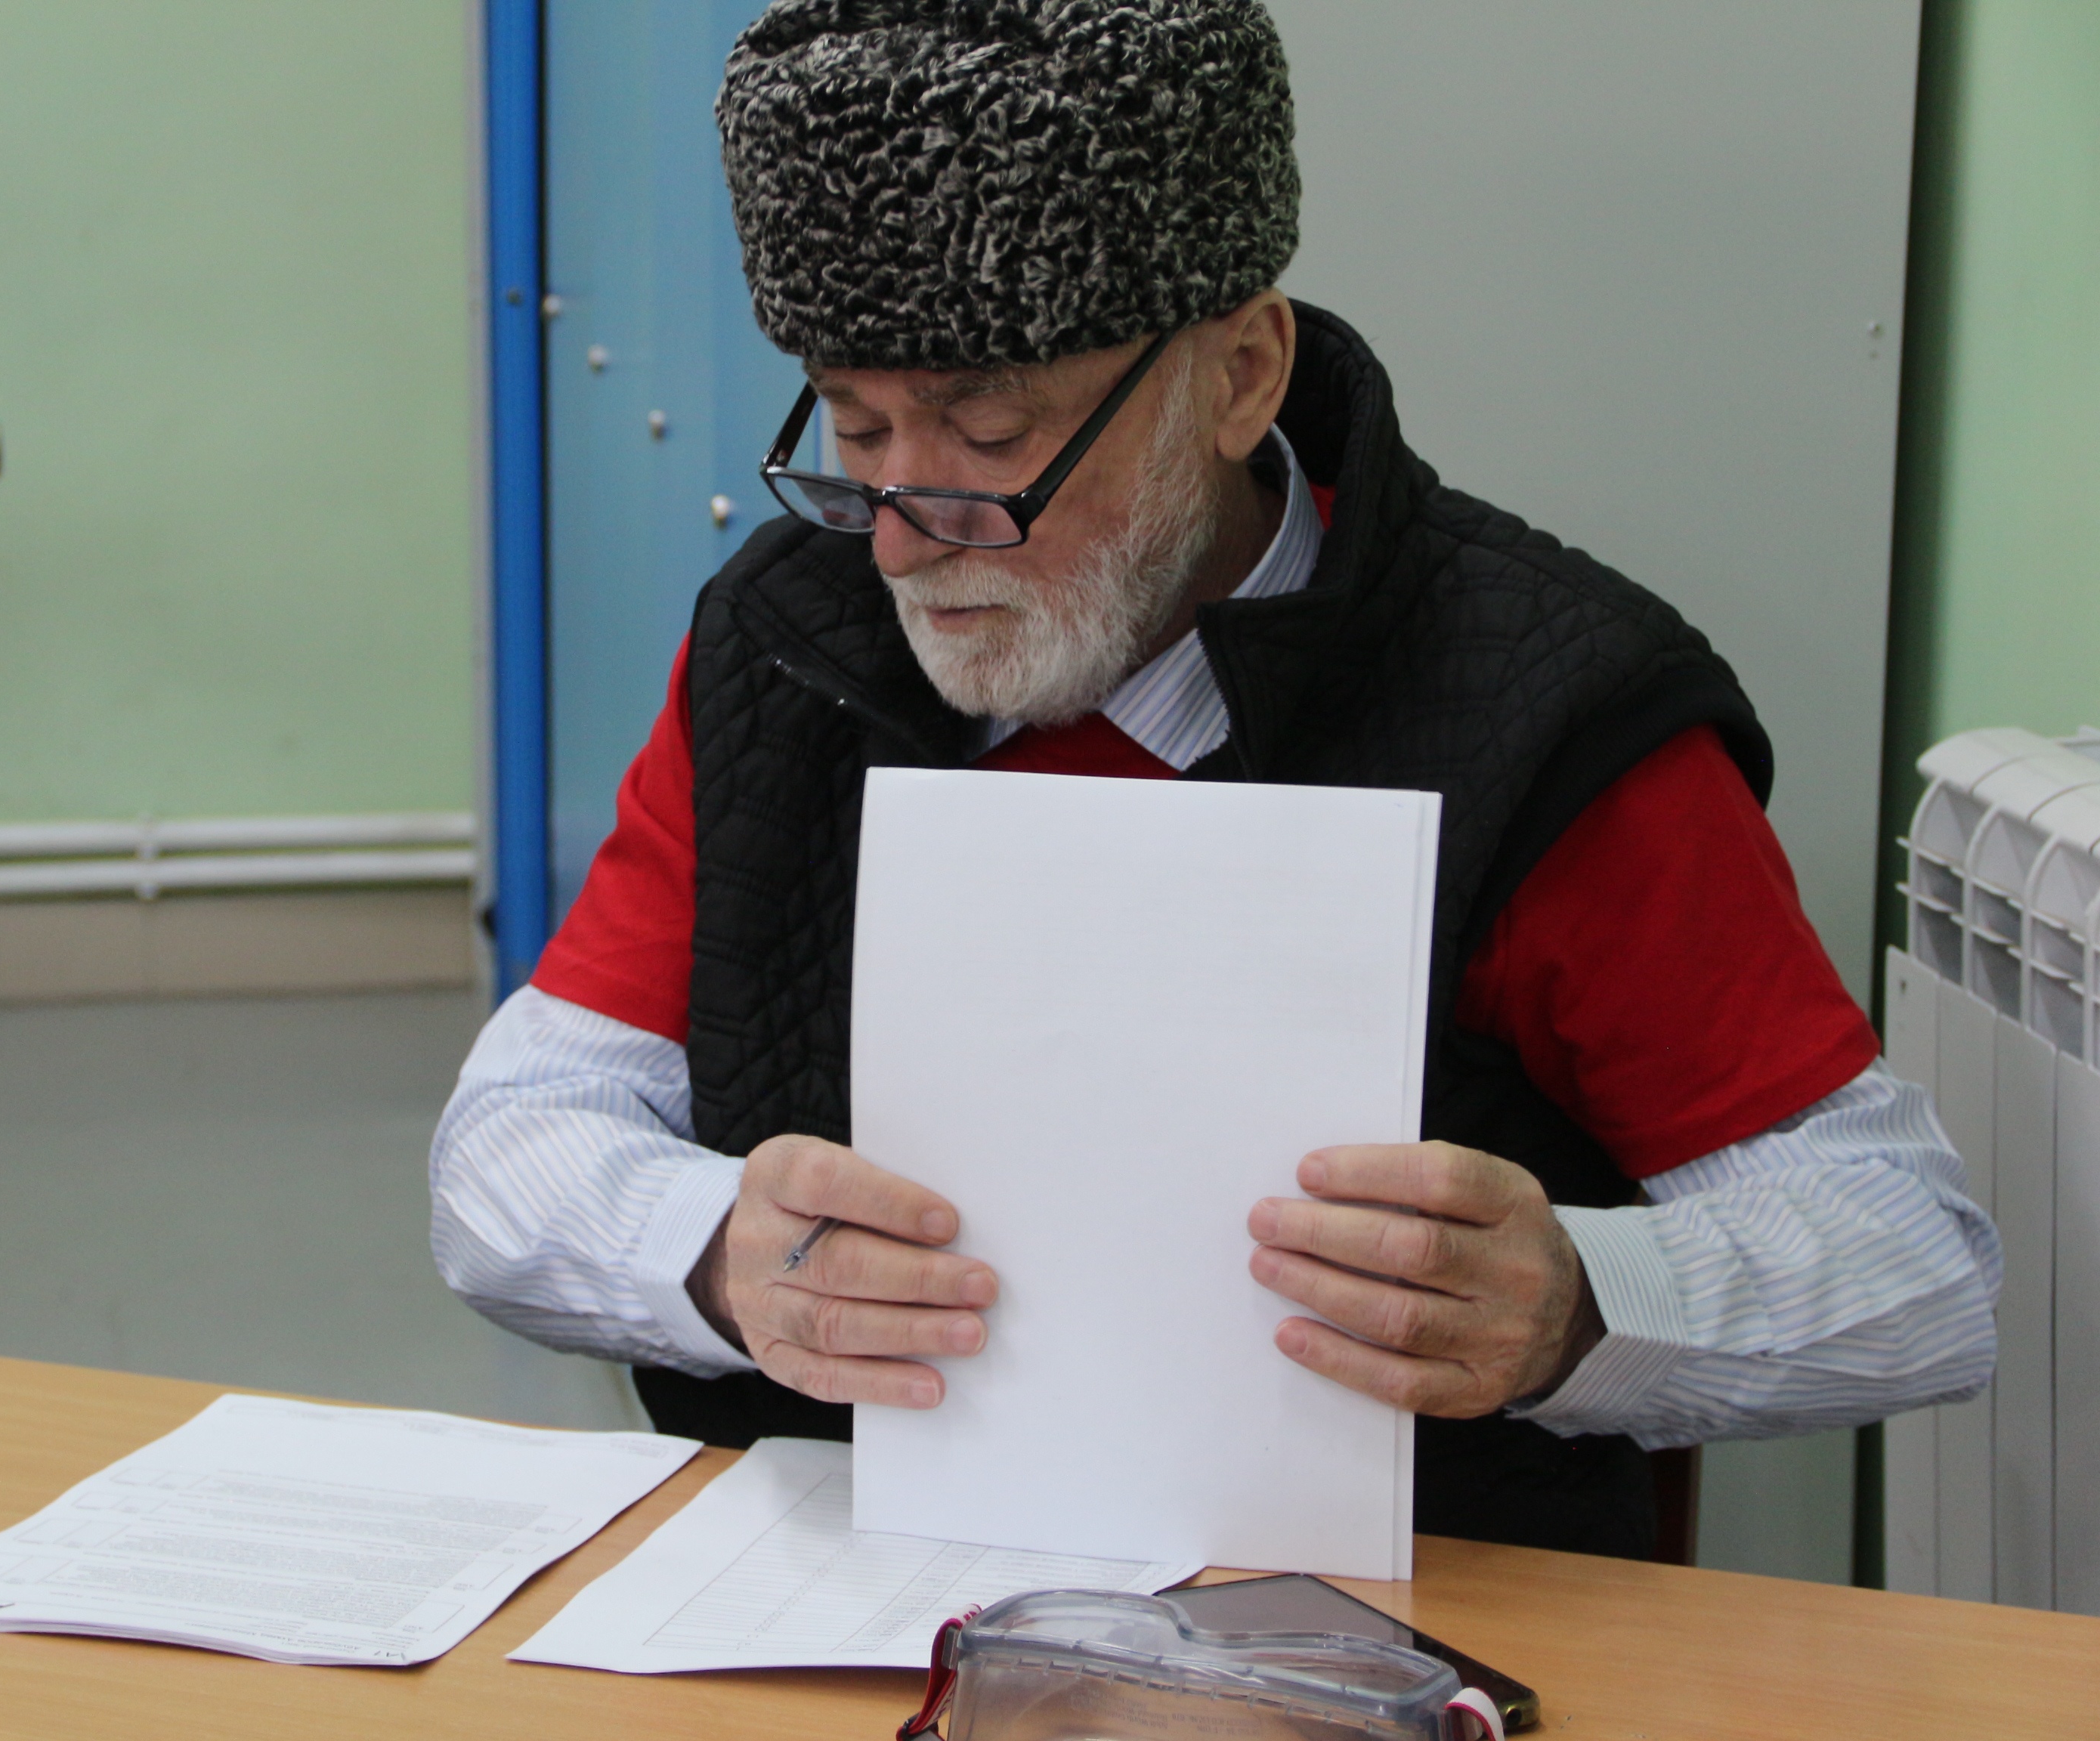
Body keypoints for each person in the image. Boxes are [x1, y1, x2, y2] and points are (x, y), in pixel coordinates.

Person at [431, 0, 1996, 1557]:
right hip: (843, 1598)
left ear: (1242, 374)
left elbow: (1915, 1259)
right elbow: (510, 1145)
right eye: (856, 431)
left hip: (1403, 1616)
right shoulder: (789, 645)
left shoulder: (1549, 714)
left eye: (992, 435)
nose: (903, 540)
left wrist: (1583, 1307)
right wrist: (714, 1253)